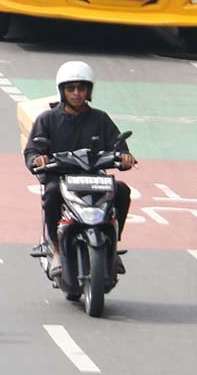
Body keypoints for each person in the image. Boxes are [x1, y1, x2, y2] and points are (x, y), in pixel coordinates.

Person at [23, 61, 134, 278]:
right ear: (62, 91)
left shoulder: (100, 119)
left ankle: (112, 245)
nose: (76, 93)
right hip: (61, 180)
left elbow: (119, 147)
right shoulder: (47, 119)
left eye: (81, 88)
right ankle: (56, 250)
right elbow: (32, 152)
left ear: (89, 91)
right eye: (70, 88)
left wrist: (125, 157)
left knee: (122, 190)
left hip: (94, 178)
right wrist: (38, 159)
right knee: (52, 193)